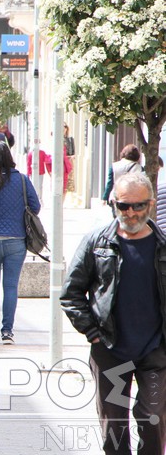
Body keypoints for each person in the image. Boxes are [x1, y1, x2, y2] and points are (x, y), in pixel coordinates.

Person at [62, 172, 166, 455]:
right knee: (114, 429)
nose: (130, 213)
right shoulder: (96, 242)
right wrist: (93, 333)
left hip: (155, 352)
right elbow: (71, 294)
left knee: (152, 417)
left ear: (151, 204)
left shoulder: (162, 245)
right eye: (123, 206)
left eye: (137, 206)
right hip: (109, 349)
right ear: (113, 203)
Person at [0, 141, 40, 345]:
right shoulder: (22, 180)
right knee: (11, 286)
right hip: (16, 238)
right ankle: (8, 332)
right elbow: (35, 206)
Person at [102, 144, 143, 217]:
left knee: (117, 220)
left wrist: (105, 197)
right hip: (132, 199)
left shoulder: (114, 166)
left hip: (116, 197)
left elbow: (110, 183)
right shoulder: (139, 168)